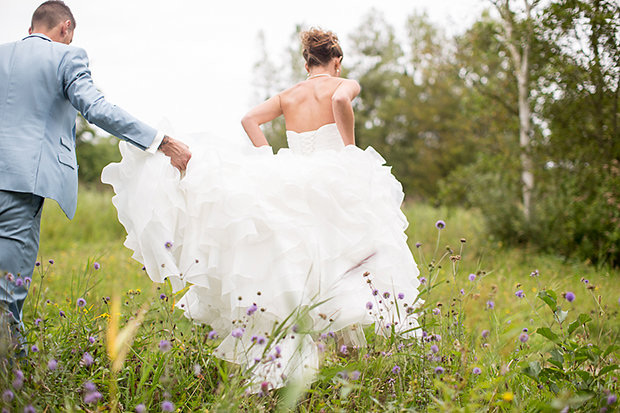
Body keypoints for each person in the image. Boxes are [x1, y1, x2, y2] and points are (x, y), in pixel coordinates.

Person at [102, 28, 420, 389]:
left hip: (294, 176)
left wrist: (264, 157)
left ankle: (282, 361)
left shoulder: (288, 95)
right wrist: (349, 150)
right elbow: (340, 103)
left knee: (298, 262)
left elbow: (249, 120)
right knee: (343, 257)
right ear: (337, 61)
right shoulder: (344, 83)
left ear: (305, 63)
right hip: (334, 177)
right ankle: (348, 369)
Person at [0, 0, 192, 351]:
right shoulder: (65, 57)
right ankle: (15, 373)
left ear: (30, 29)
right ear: (66, 29)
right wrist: (159, 140)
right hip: (20, 182)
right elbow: (96, 108)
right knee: (7, 291)